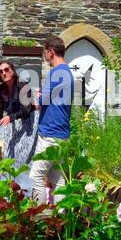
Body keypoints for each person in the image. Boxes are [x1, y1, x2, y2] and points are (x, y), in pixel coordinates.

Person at [29, 36, 74, 204]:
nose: (43, 56)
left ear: (51, 52)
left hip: (50, 133)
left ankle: (37, 217)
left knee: (36, 176)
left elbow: (39, 103)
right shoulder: (68, 72)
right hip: (62, 134)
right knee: (58, 178)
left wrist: (36, 97)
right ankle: (61, 219)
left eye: (44, 52)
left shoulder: (55, 73)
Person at [0, 60, 37, 165]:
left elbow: (26, 109)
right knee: (7, 150)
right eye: (1, 71)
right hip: (13, 121)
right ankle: (9, 176)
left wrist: (10, 117)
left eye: (6, 69)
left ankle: (23, 177)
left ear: (12, 70)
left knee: (24, 153)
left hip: (28, 122)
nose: (4, 73)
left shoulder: (23, 86)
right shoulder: (1, 88)